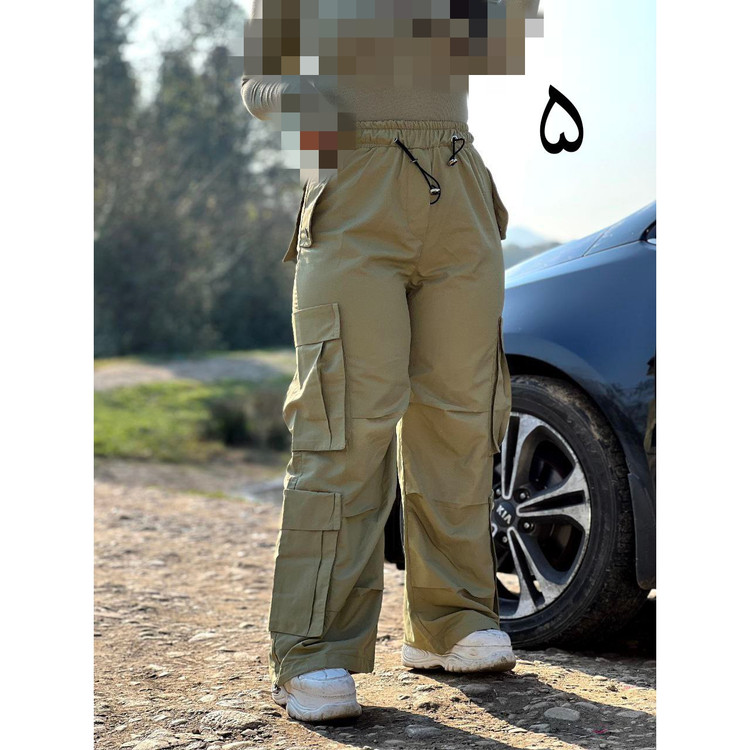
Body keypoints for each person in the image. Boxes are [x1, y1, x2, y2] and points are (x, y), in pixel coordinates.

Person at [241, 0, 530, 723]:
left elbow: (500, 36)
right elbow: (259, 80)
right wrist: (309, 108)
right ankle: (311, 648)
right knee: (343, 421)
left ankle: (452, 620)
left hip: (458, 188)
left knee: (461, 417)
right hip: (354, 189)